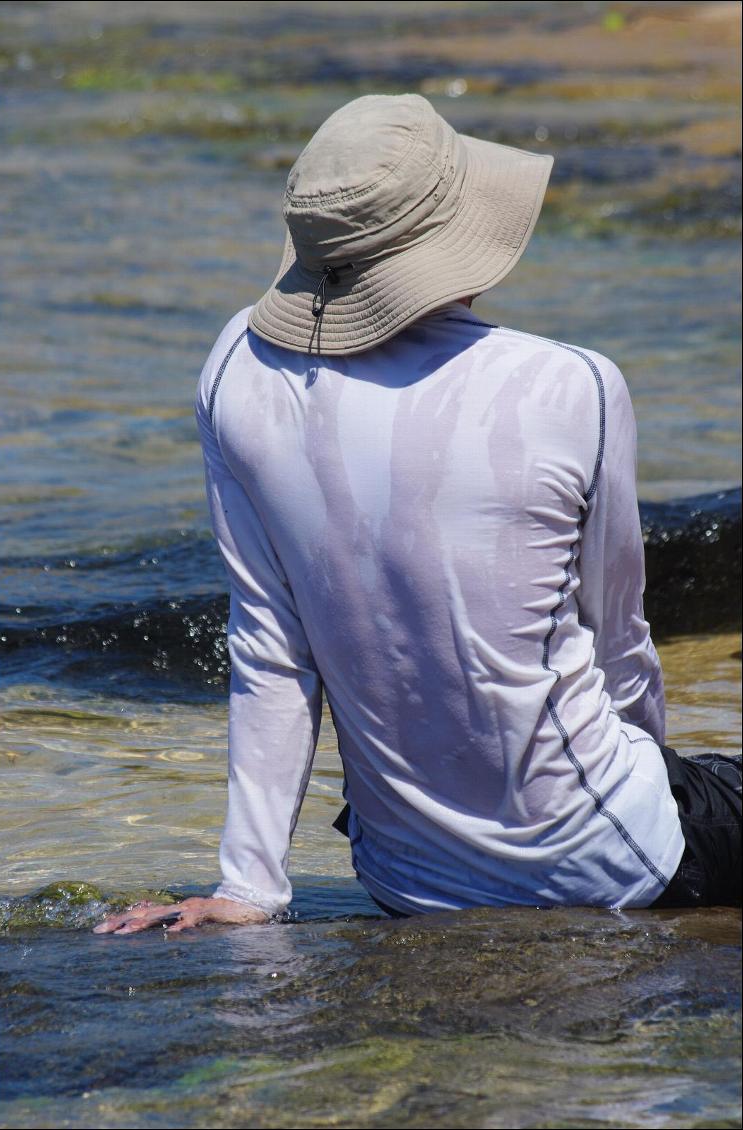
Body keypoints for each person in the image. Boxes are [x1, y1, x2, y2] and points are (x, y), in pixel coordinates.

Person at [95, 94, 740, 937]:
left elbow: (269, 643)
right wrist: (653, 791)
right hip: (606, 854)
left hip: (406, 877)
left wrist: (248, 888)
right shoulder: (572, 384)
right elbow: (617, 638)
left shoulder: (236, 368)